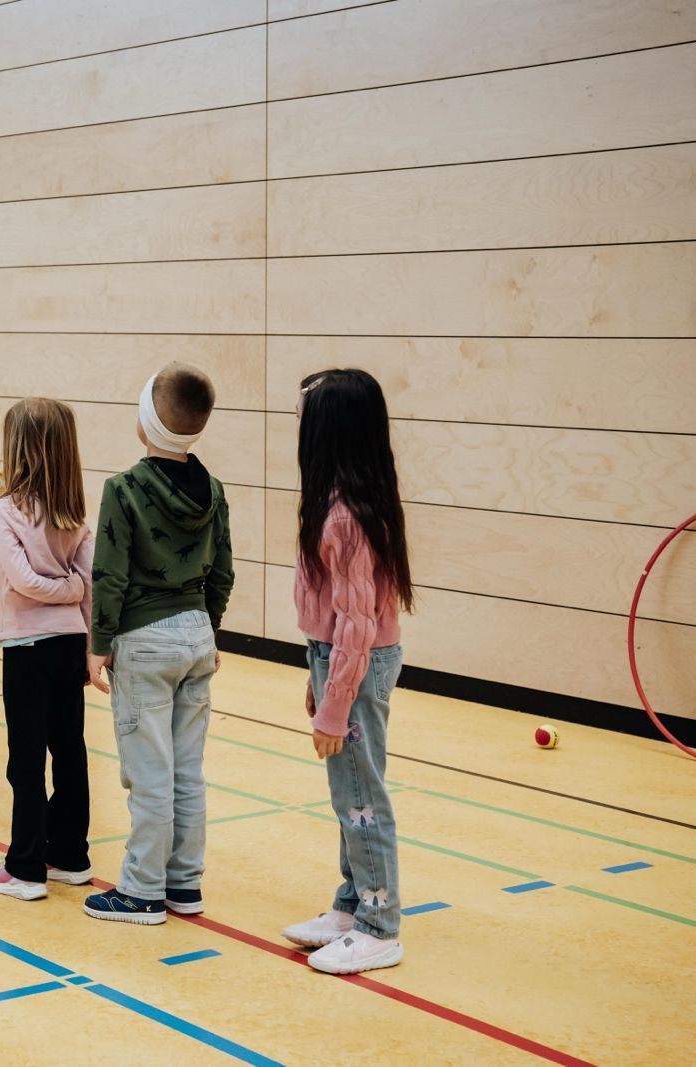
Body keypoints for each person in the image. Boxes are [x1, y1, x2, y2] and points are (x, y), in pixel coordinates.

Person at [84, 362, 233, 924]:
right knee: (186, 772)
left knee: (149, 774)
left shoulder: (122, 489)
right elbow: (223, 572)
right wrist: (208, 627)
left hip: (143, 642)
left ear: (145, 419)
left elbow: (110, 574)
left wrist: (99, 642)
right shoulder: (213, 490)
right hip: (196, 635)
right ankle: (183, 884)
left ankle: (142, 890)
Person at [280, 368, 413, 974]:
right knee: (349, 793)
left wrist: (335, 702)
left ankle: (379, 925)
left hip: (355, 663)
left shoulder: (345, 517)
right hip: (340, 660)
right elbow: (337, 619)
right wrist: (319, 675)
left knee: (362, 797)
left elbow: (357, 627)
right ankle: (353, 903)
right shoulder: (338, 504)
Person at [0, 398, 94, 901]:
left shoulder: (5, 510)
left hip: (29, 650)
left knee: (28, 759)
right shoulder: (75, 512)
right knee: (68, 751)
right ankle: (69, 856)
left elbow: (27, 582)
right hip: (67, 644)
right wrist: (75, 602)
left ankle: (26, 867)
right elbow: (84, 585)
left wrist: (69, 593)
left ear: (18, 448)